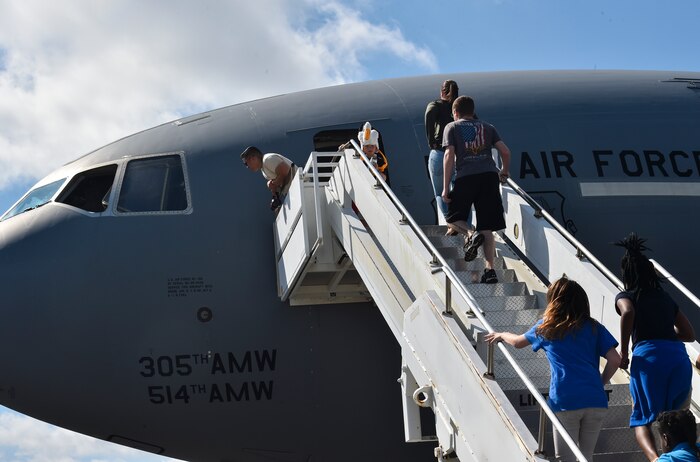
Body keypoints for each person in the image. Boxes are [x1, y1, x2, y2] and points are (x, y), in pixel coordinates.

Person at [485, 277, 621, 462]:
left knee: (565, 459)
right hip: (595, 400)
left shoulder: (547, 327)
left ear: (554, 300)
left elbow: (517, 343)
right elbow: (615, 360)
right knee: (586, 457)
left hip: (565, 400)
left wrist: (501, 334)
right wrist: (600, 383)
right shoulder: (594, 326)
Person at [614, 233, 696, 461]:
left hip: (649, 361)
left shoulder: (627, 295)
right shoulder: (665, 298)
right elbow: (689, 334)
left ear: (627, 273)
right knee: (678, 419)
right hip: (678, 359)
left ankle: (655, 459)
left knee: (642, 418)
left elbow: (628, 312)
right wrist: (665, 334)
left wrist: (623, 352)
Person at [441, 95, 510, 283]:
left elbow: (449, 155)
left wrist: (445, 187)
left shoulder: (452, 127)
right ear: (472, 111)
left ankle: (471, 234)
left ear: (455, 112)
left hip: (466, 176)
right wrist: (503, 172)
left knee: (453, 218)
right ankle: (490, 270)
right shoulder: (488, 127)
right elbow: (505, 151)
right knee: (487, 227)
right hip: (489, 177)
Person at [425, 80, 459, 229]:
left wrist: (431, 139)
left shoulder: (436, 105)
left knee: (440, 193)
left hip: (440, 152)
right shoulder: (460, 107)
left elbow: (429, 114)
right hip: (460, 155)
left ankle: (451, 224)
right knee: (460, 194)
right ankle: (466, 225)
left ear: (442, 92)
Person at [240, 146, 297, 211]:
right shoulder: (263, 169)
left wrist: (274, 183)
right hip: (293, 191)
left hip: (298, 186)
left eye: (247, 163)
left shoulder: (267, 159)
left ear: (253, 158)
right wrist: (273, 190)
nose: (248, 167)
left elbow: (285, 171)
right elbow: (280, 180)